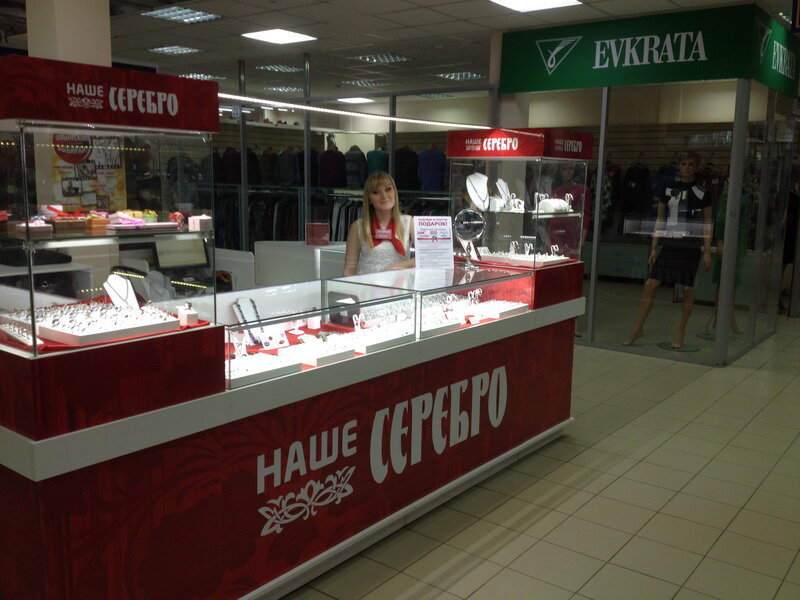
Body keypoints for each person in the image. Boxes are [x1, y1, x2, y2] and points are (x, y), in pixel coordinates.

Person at [624, 152, 713, 349]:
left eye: (691, 164)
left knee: (687, 288)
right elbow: (660, 218)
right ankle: (638, 328)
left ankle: (681, 332)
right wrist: (654, 246)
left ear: (697, 167)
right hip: (671, 242)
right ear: (679, 166)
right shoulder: (669, 189)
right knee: (651, 284)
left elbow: (707, 222)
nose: (687, 167)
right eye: (684, 164)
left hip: (691, 244)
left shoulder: (702, 192)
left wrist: (707, 250)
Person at [343, 172, 415, 276]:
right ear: (369, 199)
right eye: (376, 192)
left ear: (395, 192)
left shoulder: (409, 222)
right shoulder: (358, 227)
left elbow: (425, 258)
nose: (384, 196)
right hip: (367, 285)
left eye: (388, 189)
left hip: (399, 285)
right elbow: (349, 268)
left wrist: (396, 267)